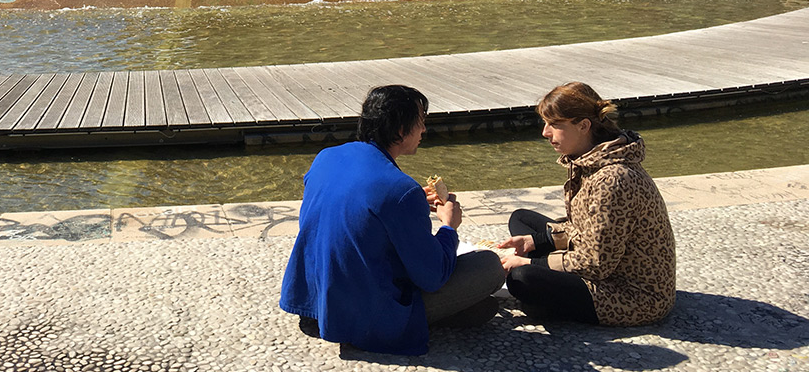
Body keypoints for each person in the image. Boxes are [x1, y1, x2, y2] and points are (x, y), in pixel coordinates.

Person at [280, 85, 504, 355]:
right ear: (400, 130)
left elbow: (358, 211)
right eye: (420, 123)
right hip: (364, 316)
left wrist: (412, 202)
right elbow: (432, 276)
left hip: (314, 302)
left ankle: (462, 311)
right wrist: (449, 227)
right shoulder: (400, 189)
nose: (424, 131)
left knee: (481, 306)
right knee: (489, 265)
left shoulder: (327, 157)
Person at [498, 82, 675, 326]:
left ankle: (546, 299)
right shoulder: (592, 159)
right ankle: (547, 290)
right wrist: (535, 241)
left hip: (631, 296)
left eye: (555, 125)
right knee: (521, 219)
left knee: (521, 278)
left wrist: (531, 263)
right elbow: (581, 229)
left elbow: (596, 264)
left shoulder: (613, 179)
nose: (545, 133)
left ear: (583, 126)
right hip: (605, 265)